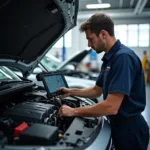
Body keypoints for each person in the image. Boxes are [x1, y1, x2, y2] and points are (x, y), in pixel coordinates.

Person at [57, 13, 150, 150]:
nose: (89, 45)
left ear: (103, 34)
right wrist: (70, 92)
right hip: (119, 125)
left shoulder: (122, 58)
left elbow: (111, 107)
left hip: (130, 130)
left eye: (91, 39)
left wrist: (74, 111)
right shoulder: (109, 58)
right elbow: (96, 90)